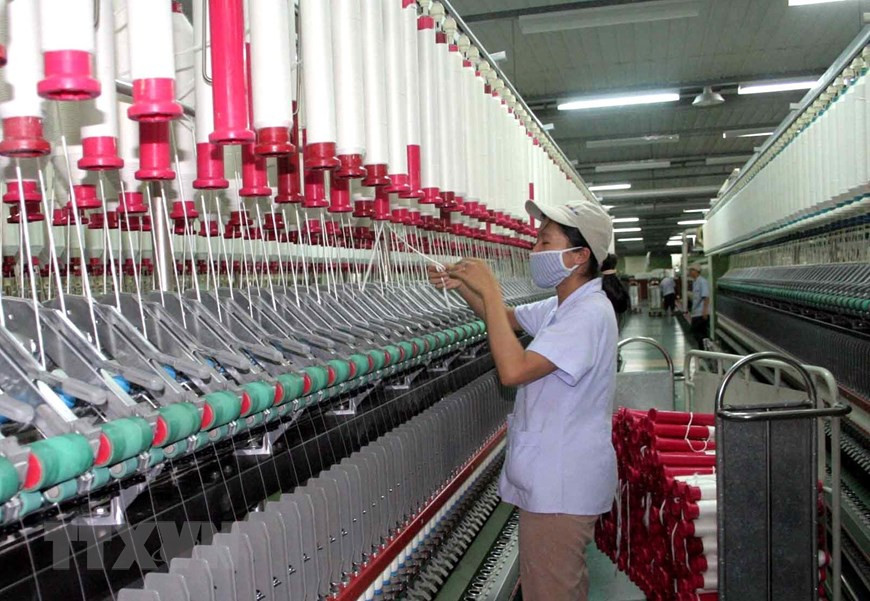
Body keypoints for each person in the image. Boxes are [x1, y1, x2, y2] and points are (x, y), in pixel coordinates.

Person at [428, 199, 617, 601]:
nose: (534, 250)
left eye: (545, 242)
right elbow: (504, 319)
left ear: (579, 256)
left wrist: (491, 287)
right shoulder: (563, 306)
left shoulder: (587, 315)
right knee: (555, 587)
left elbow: (513, 371)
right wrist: (467, 288)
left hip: (561, 486)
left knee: (551, 592)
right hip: (555, 481)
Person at [686, 263, 710, 348]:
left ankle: (706, 347)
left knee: (697, 332)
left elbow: (706, 297)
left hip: (701, 313)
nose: (689, 272)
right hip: (696, 312)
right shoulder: (695, 282)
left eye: (691, 270)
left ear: (696, 271)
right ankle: (703, 349)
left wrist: (705, 311)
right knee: (698, 333)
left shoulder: (702, 281)